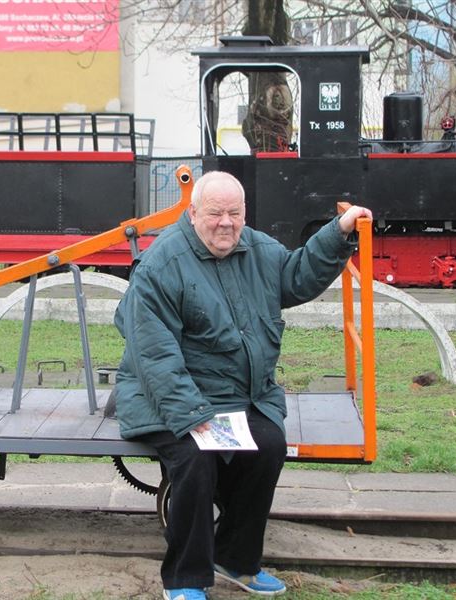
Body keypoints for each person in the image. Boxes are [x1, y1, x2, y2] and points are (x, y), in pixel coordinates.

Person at [113, 171, 372, 600]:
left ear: (245, 213)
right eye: (215, 213)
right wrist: (192, 415)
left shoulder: (257, 249)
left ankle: (235, 559)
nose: (226, 223)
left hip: (238, 394)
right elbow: (154, 354)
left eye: (234, 213)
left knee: (268, 445)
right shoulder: (162, 264)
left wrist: (338, 232)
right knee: (196, 458)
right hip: (165, 396)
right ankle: (185, 579)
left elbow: (297, 275)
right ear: (193, 213)